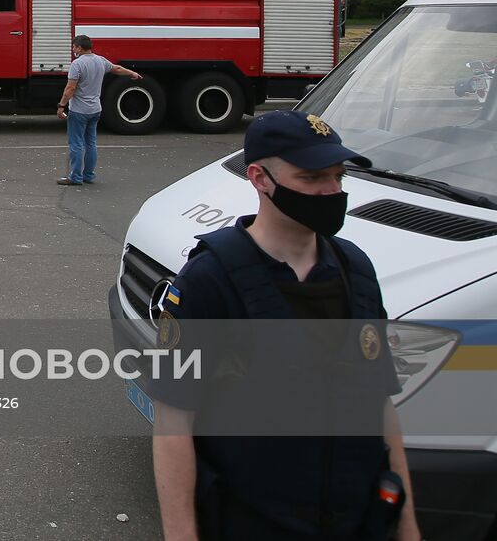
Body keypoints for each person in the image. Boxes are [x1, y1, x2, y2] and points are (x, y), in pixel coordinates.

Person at [151, 110, 421, 541]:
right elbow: (174, 420)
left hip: (355, 519)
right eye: (312, 178)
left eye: (338, 176)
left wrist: (408, 528)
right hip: (254, 522)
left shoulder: (355, 270)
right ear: (260, 178)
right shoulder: (211, 280)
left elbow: (381, 404)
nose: (332, 191)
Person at [55, 34, 141, 186]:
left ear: (79, 48)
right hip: (95, 110)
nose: (73, 49)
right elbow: (117, 68)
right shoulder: (100, 60)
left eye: (74, 47)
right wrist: (132, 73)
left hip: (79, 110)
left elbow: (70, 89)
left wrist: (61, 105)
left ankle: (75, 177)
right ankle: (88, 175)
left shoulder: (77, 64)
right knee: (91, 143)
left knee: (76, 144)